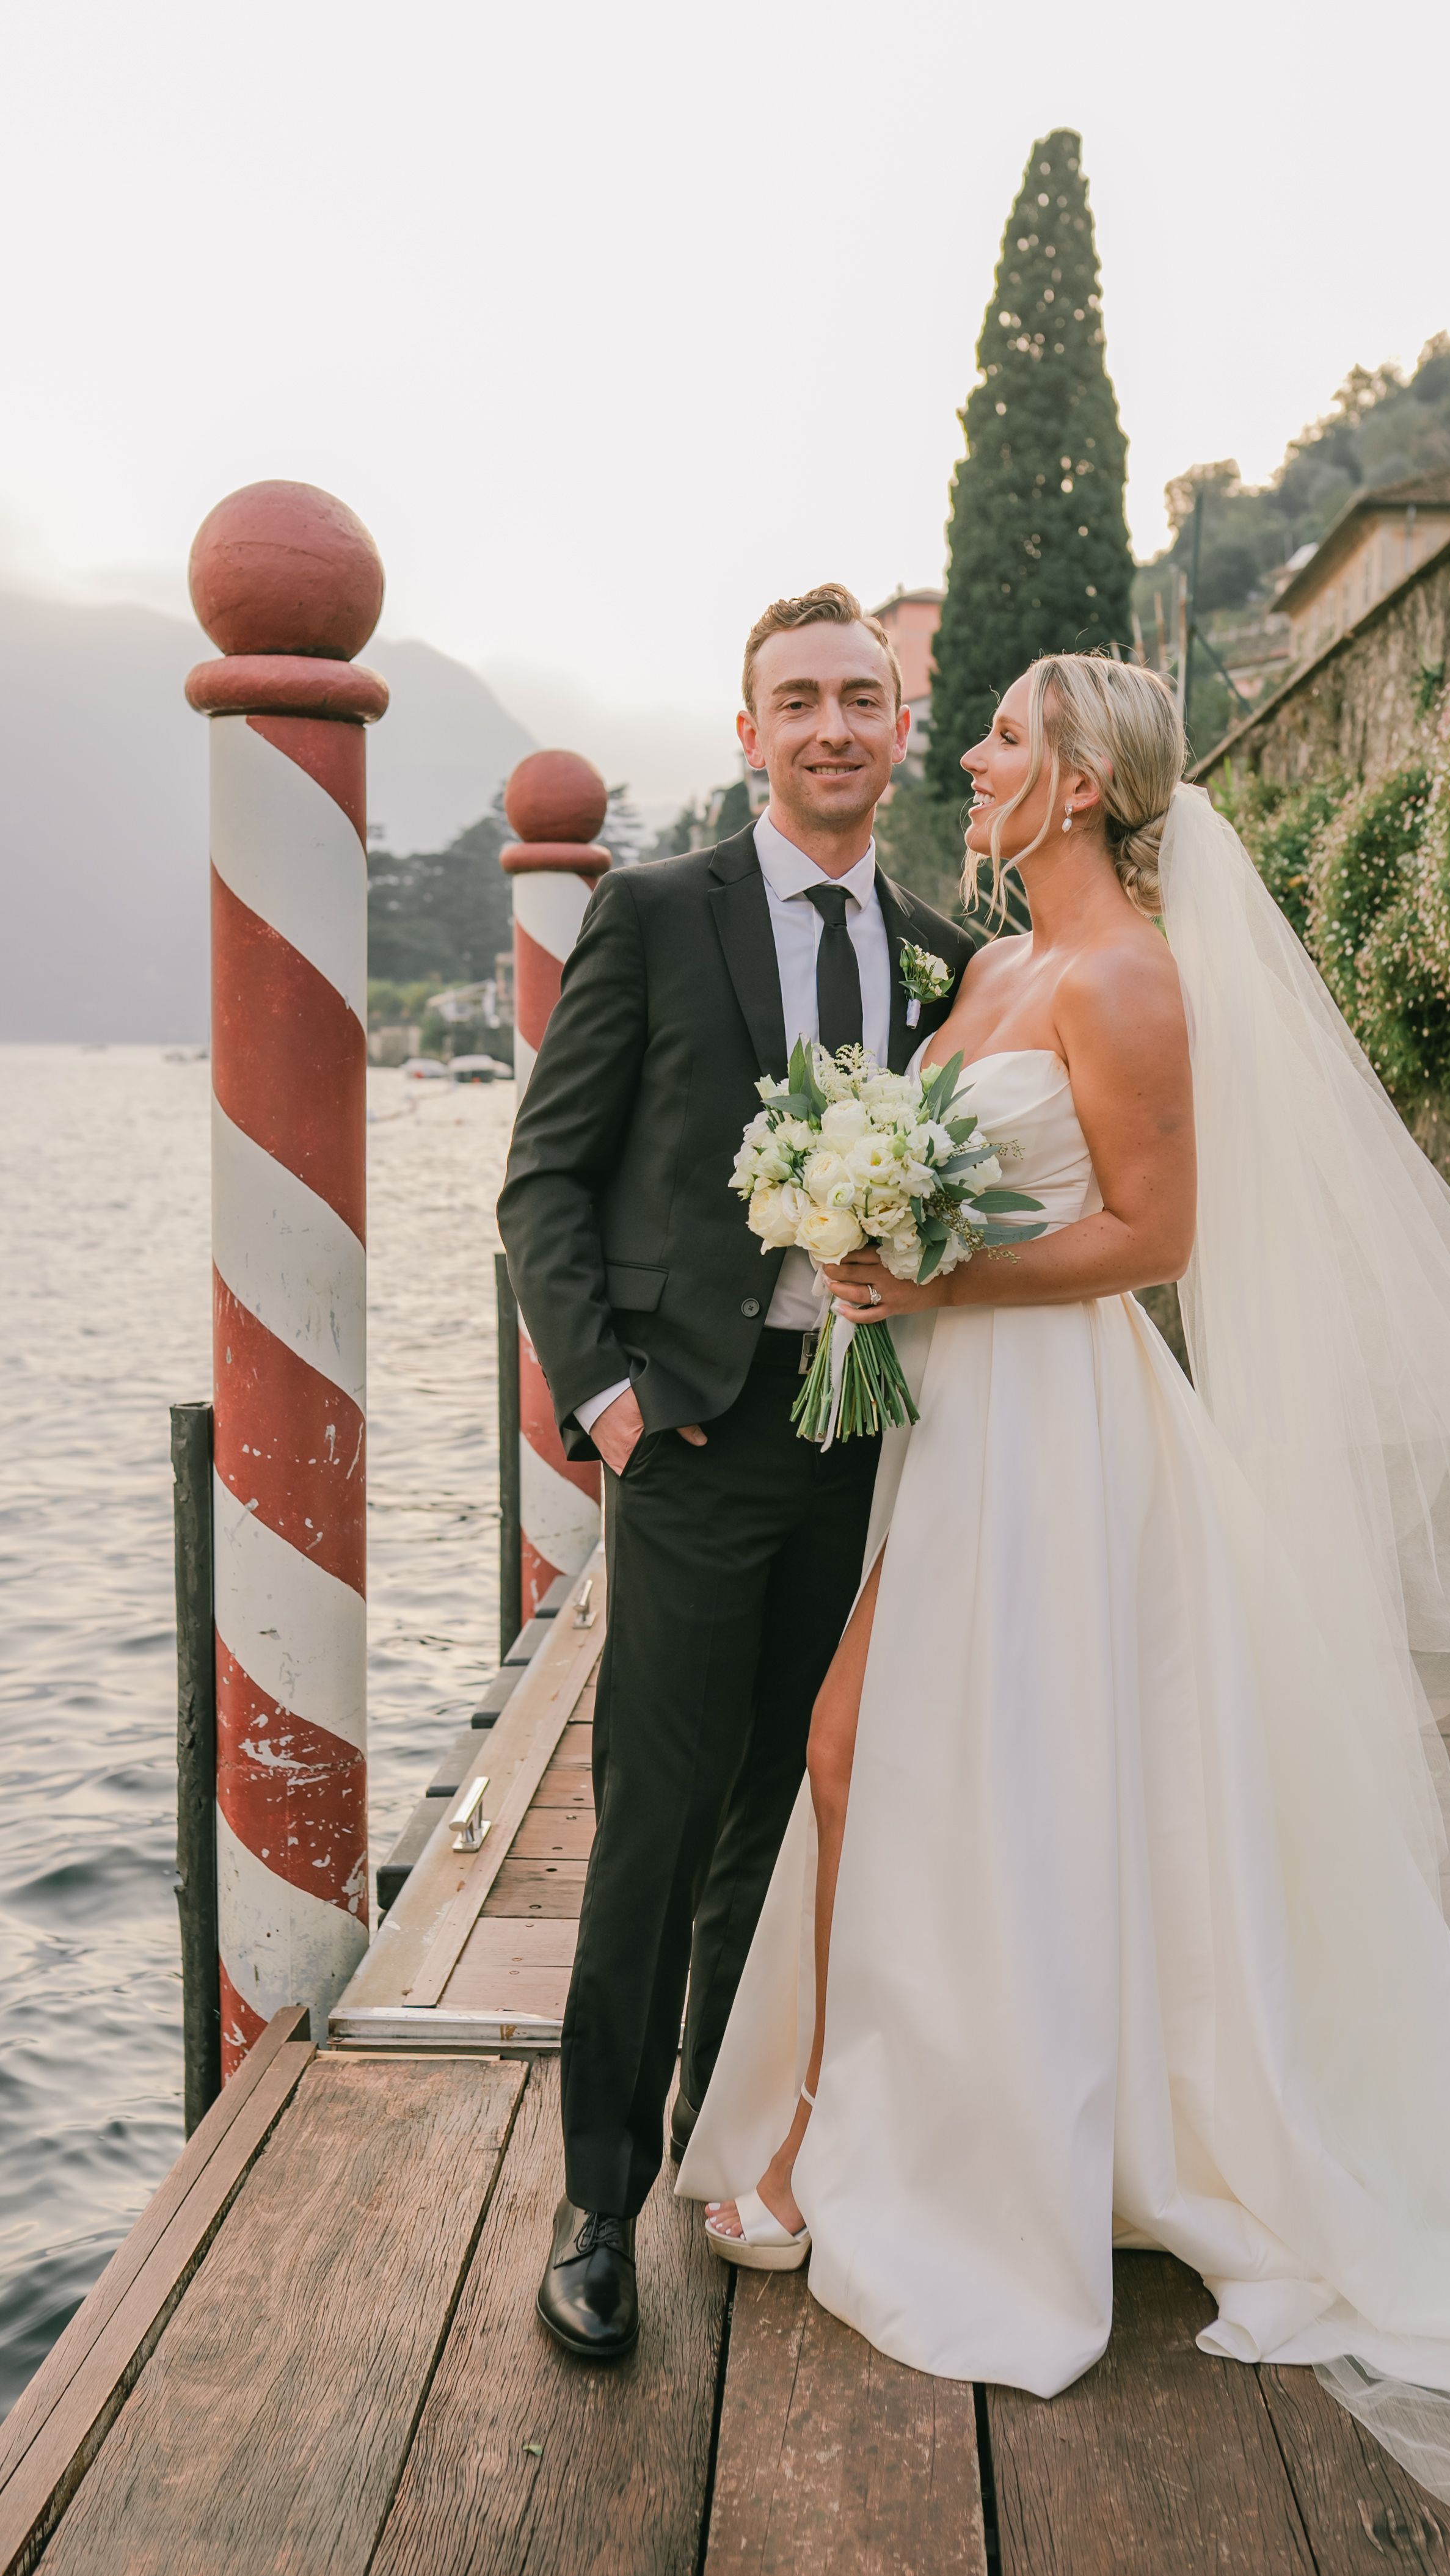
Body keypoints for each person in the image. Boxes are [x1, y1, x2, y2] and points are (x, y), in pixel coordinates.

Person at [682, 652, 1450, 2576]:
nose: (976, 762)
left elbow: (1149, 1234)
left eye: (1007, 741)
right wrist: (864, 1244)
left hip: (1057, 1430)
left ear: (1090, 780)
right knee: (865, 1755)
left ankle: (981, 2143)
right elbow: (950, 1174)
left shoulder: (1128, 985)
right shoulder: (997, 967)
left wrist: (938, 1267)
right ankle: (865, 2110)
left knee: (981, 1774)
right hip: (951, 1424)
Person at [498, 584, 972, 2362]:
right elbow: (544, 1179)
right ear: (750, 728)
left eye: (864, 696)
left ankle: (733, 2147)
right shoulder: (655, 913)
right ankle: (593, 2206)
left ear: (900, 722)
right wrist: (609, 1403)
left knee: (783, 1817)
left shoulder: (938, 953)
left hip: (865, 1429)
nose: (835, 725)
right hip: (692, 1432)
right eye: (801, 700)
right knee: (656, 1819)